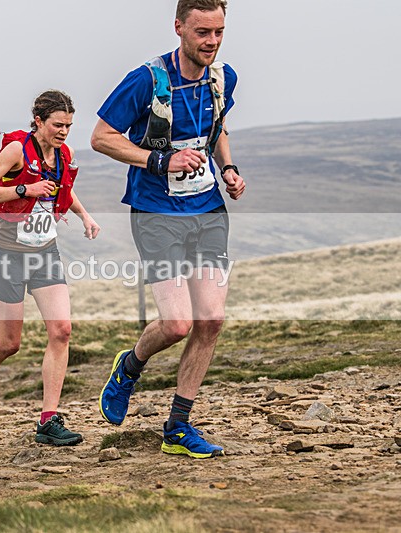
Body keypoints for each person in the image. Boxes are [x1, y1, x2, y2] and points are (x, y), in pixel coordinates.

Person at [93, 0, 245, 459]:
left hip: (208, 210)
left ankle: (178, 426)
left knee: (211, 320)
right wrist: (160, 160)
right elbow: (101, 136)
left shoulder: (223, 77)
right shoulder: (147, 79)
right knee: (178, 323)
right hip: (156, 211)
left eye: (218, 32)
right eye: (202, 32)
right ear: (179, 27)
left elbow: (217, 127)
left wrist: (229, 167)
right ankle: (130, 365)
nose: (212, 42)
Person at [0, 90, 100, 446]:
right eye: (57, 124)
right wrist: (25, 188)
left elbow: (61, 188)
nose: (64, 131)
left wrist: (84, 216)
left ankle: (49, 420)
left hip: (45, 253)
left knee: (62, 331)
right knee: (9, 343)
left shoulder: (63, 154)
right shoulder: (17, 150)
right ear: (38, 121)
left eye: (69, 125)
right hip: (7, 255)